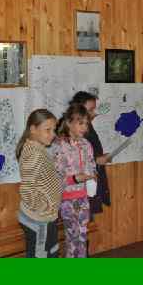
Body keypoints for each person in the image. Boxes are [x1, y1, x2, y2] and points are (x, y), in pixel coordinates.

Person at [16, 109, 63, 258]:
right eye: (47, 130)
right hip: (39, 219)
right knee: (40, 256)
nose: (53, 134)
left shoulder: (38, 148)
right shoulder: (33, 153)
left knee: (51, 253)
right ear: (33, 129)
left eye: (53, 130)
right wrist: (43, 207)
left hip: (46, 217)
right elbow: (27, 189)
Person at [51, 104, 97, 258]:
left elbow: (91, 165)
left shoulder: (86, 145)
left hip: (83, 197)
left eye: (86, 123)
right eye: (80, 123)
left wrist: (93, 175)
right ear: (69, 123)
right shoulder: (59, 145)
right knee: (73, 238)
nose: (85, 127)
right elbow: (55, 179)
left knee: (82, 237)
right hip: (66, 200)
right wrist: (75, 179)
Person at [69, 91, 111, 221]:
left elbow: (89, 153)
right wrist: (97, 160)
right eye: (91, 110)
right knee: (78, 225)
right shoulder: (71, 133)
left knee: (86, 225)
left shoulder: (87, 128)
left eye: (94, 109)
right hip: (75, 192)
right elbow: (72, 160)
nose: (94, 113)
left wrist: (99, 158)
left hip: (88, 187)